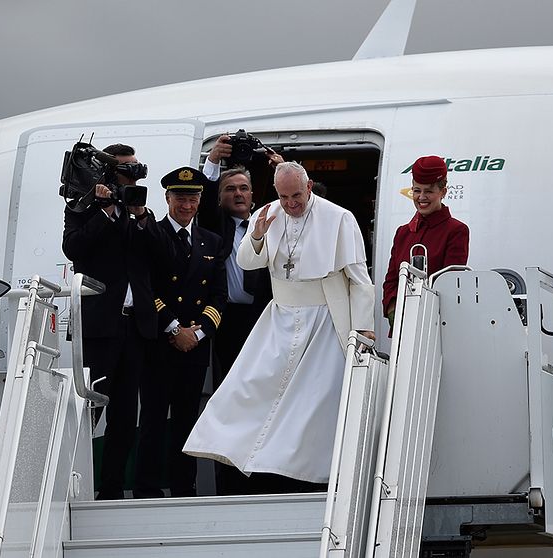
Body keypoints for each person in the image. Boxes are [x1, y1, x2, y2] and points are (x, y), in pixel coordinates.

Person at [184, 161, 375, 489]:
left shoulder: (339, 218)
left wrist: (363, 328)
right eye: (284, 197)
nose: (291, 204)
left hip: (324, 320)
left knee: (314, 402)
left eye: (297, 196)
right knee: (249, 388)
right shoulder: (269, 213)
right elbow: (247, 261)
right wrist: (257, 235)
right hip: (281, 318)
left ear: (309, 186)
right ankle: (256, 466)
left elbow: (359, 281)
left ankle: (314, 478)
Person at [61, 143, 160, 500]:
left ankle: (112, 487)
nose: (132, 175)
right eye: (125, 169)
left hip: (135, 327)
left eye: (136, 168)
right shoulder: (82, 207)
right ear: (106, 172)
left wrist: (141, 214)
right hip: (99, 326)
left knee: (124, 415)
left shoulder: (137, 210)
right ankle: (75, 485)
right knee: (87, 409)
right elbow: (74, 249)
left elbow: (158, 253)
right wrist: (105, 213)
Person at [134, 167, 227, 498]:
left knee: (187, 421)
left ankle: (183, 487)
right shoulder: (151, 234)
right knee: (154, 420)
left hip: (195, 346)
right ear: (167, 198)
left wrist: (198, 334)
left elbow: (219, 295)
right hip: (160, 341)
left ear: (201, 200)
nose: (187, 205)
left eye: (193, 198)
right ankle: (146, 487)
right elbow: (146, 286)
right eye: (180, 198)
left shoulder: (212, 241)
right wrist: (174, 327)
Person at [200, 138, 279, 493]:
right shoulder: (216, 225)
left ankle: (269, 476)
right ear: (220, 195)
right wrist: (213, 163)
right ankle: (233, 483)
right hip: (228, 323)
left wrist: (282, 169)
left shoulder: (270, 221)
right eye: (230, 188)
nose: (238, 193)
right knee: (232, 399)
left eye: (244, 187)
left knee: (269, 397)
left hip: (266, 320)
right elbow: (202, 204)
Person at [382, 155, 469, 329]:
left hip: (437, 326)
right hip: (403, 326)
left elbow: (450, 284)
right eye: (416, 190)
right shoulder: (403, 233)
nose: (421, 197)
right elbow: (391, 281)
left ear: (443, 192)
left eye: (428, 191)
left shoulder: (456, 231)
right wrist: (394, 312)